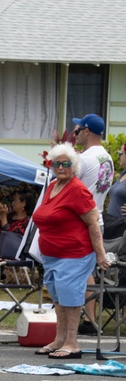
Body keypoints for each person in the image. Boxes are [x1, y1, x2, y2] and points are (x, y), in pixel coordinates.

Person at [31, 143, 109, 359]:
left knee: (70, 297)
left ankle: (72, 343)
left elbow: (93, 223)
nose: (61, 167)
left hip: (75, 254)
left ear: (74, 166)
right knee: (58, 297)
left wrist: (100, 254)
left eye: (66, 163)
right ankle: (60, 339)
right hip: (52, 255)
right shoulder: (53, 186)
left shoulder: (77, 189)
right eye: (57, 163)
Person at [73, 114, 113, 335]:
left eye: (77, 130)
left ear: (87, 132)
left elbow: (66, 185)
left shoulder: (84, 158)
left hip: (81, 220)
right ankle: (89, 319)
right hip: (97, 218)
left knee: (81, 271)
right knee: (88, 270)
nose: (75, 134)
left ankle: (87, 320)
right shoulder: (107, 158)